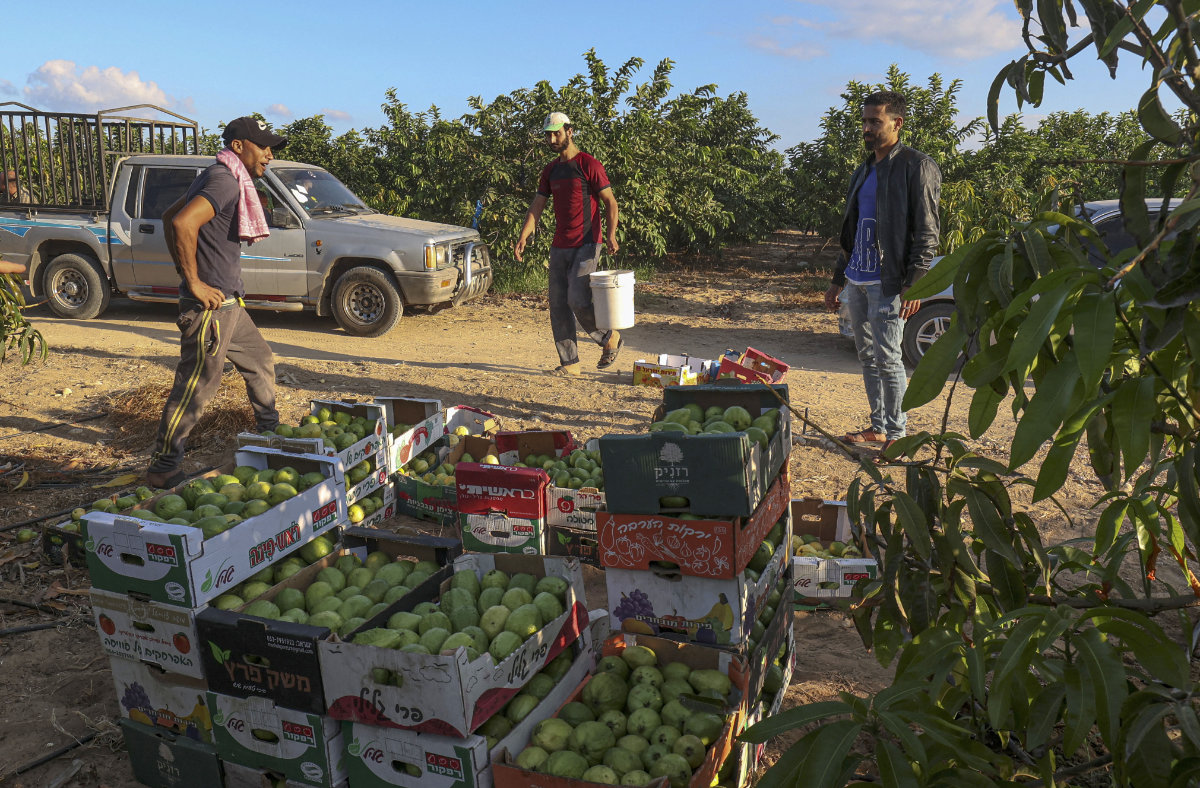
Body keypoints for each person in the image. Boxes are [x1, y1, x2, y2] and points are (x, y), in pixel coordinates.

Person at [145, 116, 286, 489]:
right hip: (210, 309)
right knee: (197, 386)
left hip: (229, 305)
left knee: (259, 361)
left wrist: (191, 274)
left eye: (271, 148)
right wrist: (193, 282)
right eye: (263, 146)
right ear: (239, 146)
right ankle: (164, 466)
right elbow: (182, 223)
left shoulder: (220, 174)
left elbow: (168, 215)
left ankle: (270, 435)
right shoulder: (225, 179)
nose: (269, 155)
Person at [823, 91, 941, 455]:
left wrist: (916, 284)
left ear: (897, 123)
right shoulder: (864, 170)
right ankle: (879, 426)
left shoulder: (916, 166)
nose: (867, 128)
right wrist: (837, 279)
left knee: (889, 358)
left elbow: (927, 232)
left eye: (875, 121)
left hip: (888, 282)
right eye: (864, 121)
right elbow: (852, 229)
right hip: (858, 279)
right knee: (868, 356)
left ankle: (897, 433)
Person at [514, 112, 622, 376]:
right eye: (548, 134)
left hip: (587, 242)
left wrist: (611, 234)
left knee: (577, 297)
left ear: (569, 132)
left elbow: (610, 202)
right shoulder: (551, 170)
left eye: (557, 133)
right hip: (560, 245)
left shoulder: (589, 165)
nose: (552, 139)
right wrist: (524, 235)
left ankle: (609, 337)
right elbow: (537, 205)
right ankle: (570, 364)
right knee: (558, 303)